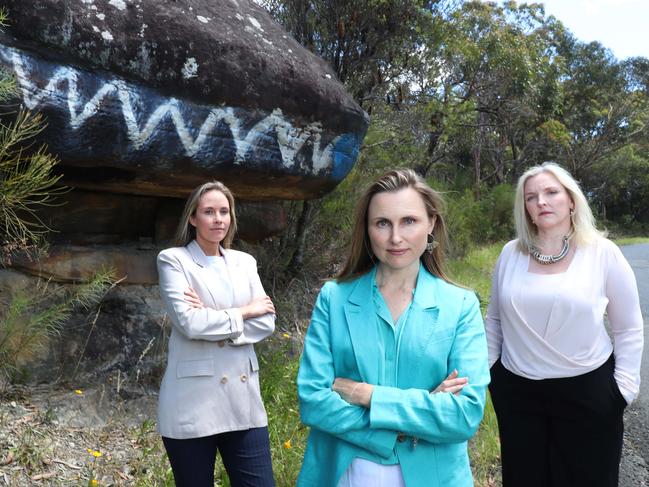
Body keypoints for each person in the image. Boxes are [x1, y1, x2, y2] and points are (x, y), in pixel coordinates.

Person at [296, 168, 490, 487]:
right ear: (368, 229)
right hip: (345, 472)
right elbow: (313, 400)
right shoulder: (335, 298)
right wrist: (407, 422)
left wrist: (365, 394)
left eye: (409, 221)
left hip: (435, 476)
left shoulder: (461, 305)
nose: (395, 237)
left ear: (431, 225)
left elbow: (463, 415)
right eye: (382, 223)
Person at [486, 162, 644, 487]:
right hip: (517, 394)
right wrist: (492, 375)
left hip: (589, 392)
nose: (541, 201)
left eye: (551, 192)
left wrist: (623, 390)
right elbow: (495, 321)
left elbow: (628, 327)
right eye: (531, 197)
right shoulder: (509, 254)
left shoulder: (603, 253)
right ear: (525, 208)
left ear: (571, 200)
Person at [156, 181, 276, 487]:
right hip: (193, 402)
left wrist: (211, 316)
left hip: (243, 401)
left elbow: (267, 322)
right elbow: (189, 323)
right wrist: (245, 311)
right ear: (193, 218)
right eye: (209, 211)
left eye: (224, 211)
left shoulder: (245, 262)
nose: (218, 218)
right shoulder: (173, 260)